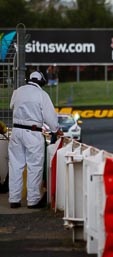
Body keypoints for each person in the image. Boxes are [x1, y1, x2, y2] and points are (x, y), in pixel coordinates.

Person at [8, 71, 61, 209]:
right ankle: (33, 200)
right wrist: (55, 129)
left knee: (15, 166)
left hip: (16, 131)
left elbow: (11, 106)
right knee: (34, 167)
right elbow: (50, 117)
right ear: (41, 81)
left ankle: (14, 199)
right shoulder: (42, 95)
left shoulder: (18, 91)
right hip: (33, 132)